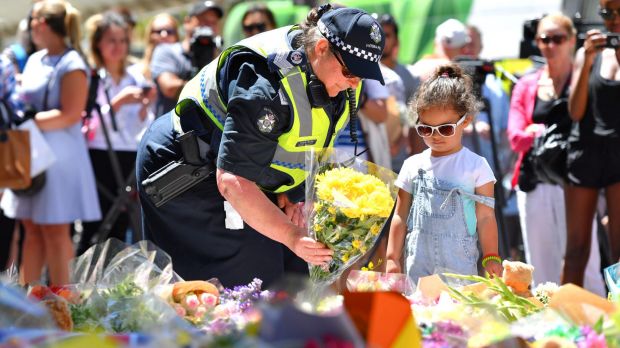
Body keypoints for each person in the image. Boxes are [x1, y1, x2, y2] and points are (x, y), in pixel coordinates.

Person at [136, 5, 386, 287]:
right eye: (350, 72)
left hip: (244, 173)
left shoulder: (340, 75)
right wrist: (292, 235)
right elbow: (233, 180)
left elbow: (299, 142)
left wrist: (291, 193)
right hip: (186, 171)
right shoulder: (266, 83)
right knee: (240, 285)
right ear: (321, 47)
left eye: (363, 75)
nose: (354, 85)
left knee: (294, 277)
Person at [0, 0, 100, 286]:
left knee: (56, 232)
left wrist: (30, 120)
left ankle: (64, 304)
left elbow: (71, 113)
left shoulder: (72, 62)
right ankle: (29, 302)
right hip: (29, 153)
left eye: (32, 21)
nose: (30, 27)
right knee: (30, 230)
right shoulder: (33, 60)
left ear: (41, 23)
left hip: (59, 157)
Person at [508, 13, 605, 293]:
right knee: (540, 269)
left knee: (585, 267)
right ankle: (550, 331)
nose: (550, 45)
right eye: (544, 39)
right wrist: (548, 133)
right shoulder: (526, 85)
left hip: (575, 183)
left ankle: (596, 330)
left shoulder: (586, 80)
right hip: (534, 183)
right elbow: (515, 136)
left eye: (557, 39)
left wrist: (536, 131)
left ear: (572, 40)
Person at [386, 63, 502, 284]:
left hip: (459, 267)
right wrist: (392, 258)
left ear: (465, 121)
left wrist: (491, 256)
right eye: (425, 129)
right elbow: (400, 215)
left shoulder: (476, 166)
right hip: (418, 264)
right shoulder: (412, 165)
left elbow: (486, 217)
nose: (435, 136)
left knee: (456, 316)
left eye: (445, 128)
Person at [78, 12, 156, 255]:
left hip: (129, 153)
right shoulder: (92, 77)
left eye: (123, 40)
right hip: (99, 153)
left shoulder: (136, 75)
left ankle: (113, 278)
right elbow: (86, 124)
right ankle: (84, 275)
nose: (118, 47)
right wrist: (117, 103)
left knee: (123, 220)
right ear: (98, 43)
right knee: (97, 219)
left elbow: (145, 124)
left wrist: (145, 106)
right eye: (112, 40)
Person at [565, 0, 620, 287]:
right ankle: (563, 322)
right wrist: (585, 62)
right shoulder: (589, 54)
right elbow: (575, 111)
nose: (613, 20)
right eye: (606, 13)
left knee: (619, 251)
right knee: (575, 250)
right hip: (585, 151)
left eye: (618, 11)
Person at [150, 1, 224, 117]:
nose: (208, 27)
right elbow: (169, 88)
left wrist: (216, 56)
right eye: (203, 21)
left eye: (213, 23)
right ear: (187, 22)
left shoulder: (220, 56)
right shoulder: (167, 51)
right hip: (175, 130)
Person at [141, 13, 179, 81]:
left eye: (169, 31)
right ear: (150, 36)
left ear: (176, 36)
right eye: (158, 31)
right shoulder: (138, 70)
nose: (164, 35)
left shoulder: (187, 64)